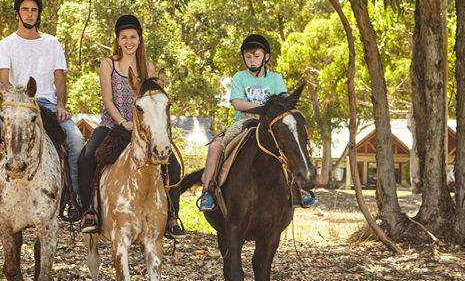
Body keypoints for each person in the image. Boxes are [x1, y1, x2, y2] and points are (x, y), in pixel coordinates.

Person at [0, 0, 85, 217]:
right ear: (17, 13)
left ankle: (76, 198)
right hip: (16, 104)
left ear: (39, 15)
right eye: (25, 10)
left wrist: (61, 105)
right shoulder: (6, 44)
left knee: (76, 140)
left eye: (34, 10)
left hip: (46, 103)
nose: (30, 14)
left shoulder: (52, 43)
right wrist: (12, 101)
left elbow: (59, 78)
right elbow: (4, 80)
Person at [78, 14, 187, 239]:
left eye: (133, 37)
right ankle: (89, 210)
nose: (129, 41)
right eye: (124, 37)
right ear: (117, 40)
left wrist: (147, 125)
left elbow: (153, 99)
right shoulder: (108, 64)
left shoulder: (148, 66)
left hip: (145, 127)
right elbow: (108, 99)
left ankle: (172, 216)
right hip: (114, 124)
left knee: (173, 165)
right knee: (87, 157)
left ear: (140, 39)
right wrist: (123, 122)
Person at [197, 33, 315, 210]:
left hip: (270, 125)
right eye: (248, 57)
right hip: (243, 123)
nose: (252, 60)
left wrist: (272, 110)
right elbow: (237, 103)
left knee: (291, 144)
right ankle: (208, 191)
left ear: (266, 57)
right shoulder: (240, 77)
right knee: (215, 146)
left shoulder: (276, 78)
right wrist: (265, 107)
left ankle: (297, 189)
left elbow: (284, 103)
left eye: (257, 56)